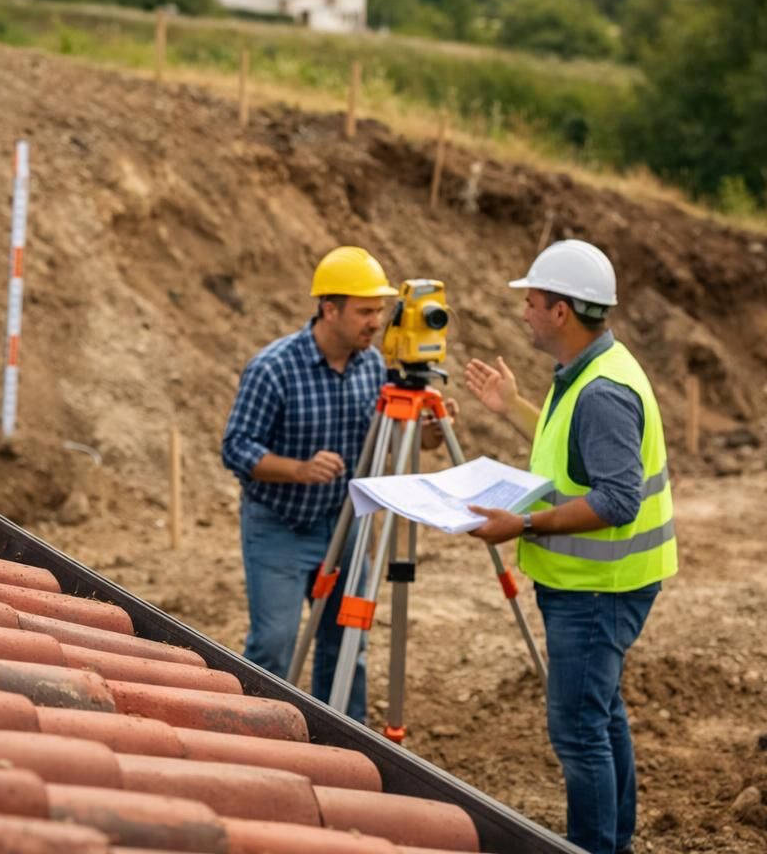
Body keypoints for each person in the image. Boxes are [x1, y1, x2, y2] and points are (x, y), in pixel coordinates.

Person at [463, 239, 677, 854]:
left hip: (596, 592)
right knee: (601, 714)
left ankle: (594, 847)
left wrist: (522, 526)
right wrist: (514, 408)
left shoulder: (602, 392)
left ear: (562, 312)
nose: (523, 312)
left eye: (531, 302)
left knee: (579, 731)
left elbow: (615, 500)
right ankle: (615, 842)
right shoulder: (592, 370)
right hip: (599, 587)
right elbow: (576, 452)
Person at [221, 246, 451, 720]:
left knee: (348, 643)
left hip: (347, 527)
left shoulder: (374, 367)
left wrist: (426, 434)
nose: (377, 322)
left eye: (381, 310)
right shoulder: (273, 368)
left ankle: (345, 742)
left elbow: (394, 441)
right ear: (330, 308)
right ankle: (256, 738)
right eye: (366, 311)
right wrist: (298, 469)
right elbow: (237, 448)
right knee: (274, 646)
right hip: (280, 525)